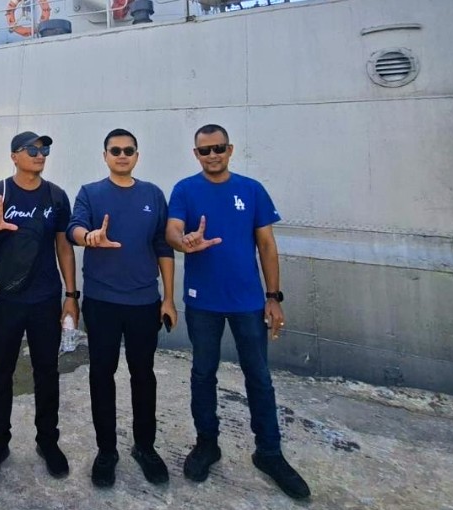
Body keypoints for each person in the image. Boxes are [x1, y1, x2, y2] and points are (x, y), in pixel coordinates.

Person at [166, 124, 311, 500]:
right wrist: (184, 241)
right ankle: (207, 444)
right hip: (203, 303)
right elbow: (172, 230)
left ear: (230, 150)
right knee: (202, 374)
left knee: (259, 377)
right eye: (204, 150)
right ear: (196, 154)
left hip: (248, 303)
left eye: (218, 148)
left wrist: (273, 296)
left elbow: (267, 245)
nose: (212, 155)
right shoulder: (184, 190)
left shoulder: (251, 189)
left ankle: (269, 453)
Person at [67, 128, 176, 488]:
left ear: (137, 156)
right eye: (115, 150)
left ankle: (145, 447)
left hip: (144, 302)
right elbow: (74, 228)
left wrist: (168, 298)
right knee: (102, 375)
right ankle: (107, 451)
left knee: (143, 376)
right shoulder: (90, 193)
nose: (122, 155)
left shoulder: (153, 194)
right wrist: (88, 237)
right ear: (105, 156)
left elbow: (163, 246)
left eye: (129, 150)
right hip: (102, 303)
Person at [0, 131, 78, 484]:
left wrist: (71, 296)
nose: (40, 154)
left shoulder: (56, 196)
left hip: (45, 299)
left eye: (44, 149)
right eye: (32, 149)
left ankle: (48, 441)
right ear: (14, 156)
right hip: (6, 300)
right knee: (0, 372)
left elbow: (63, 247)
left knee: (47, 372)